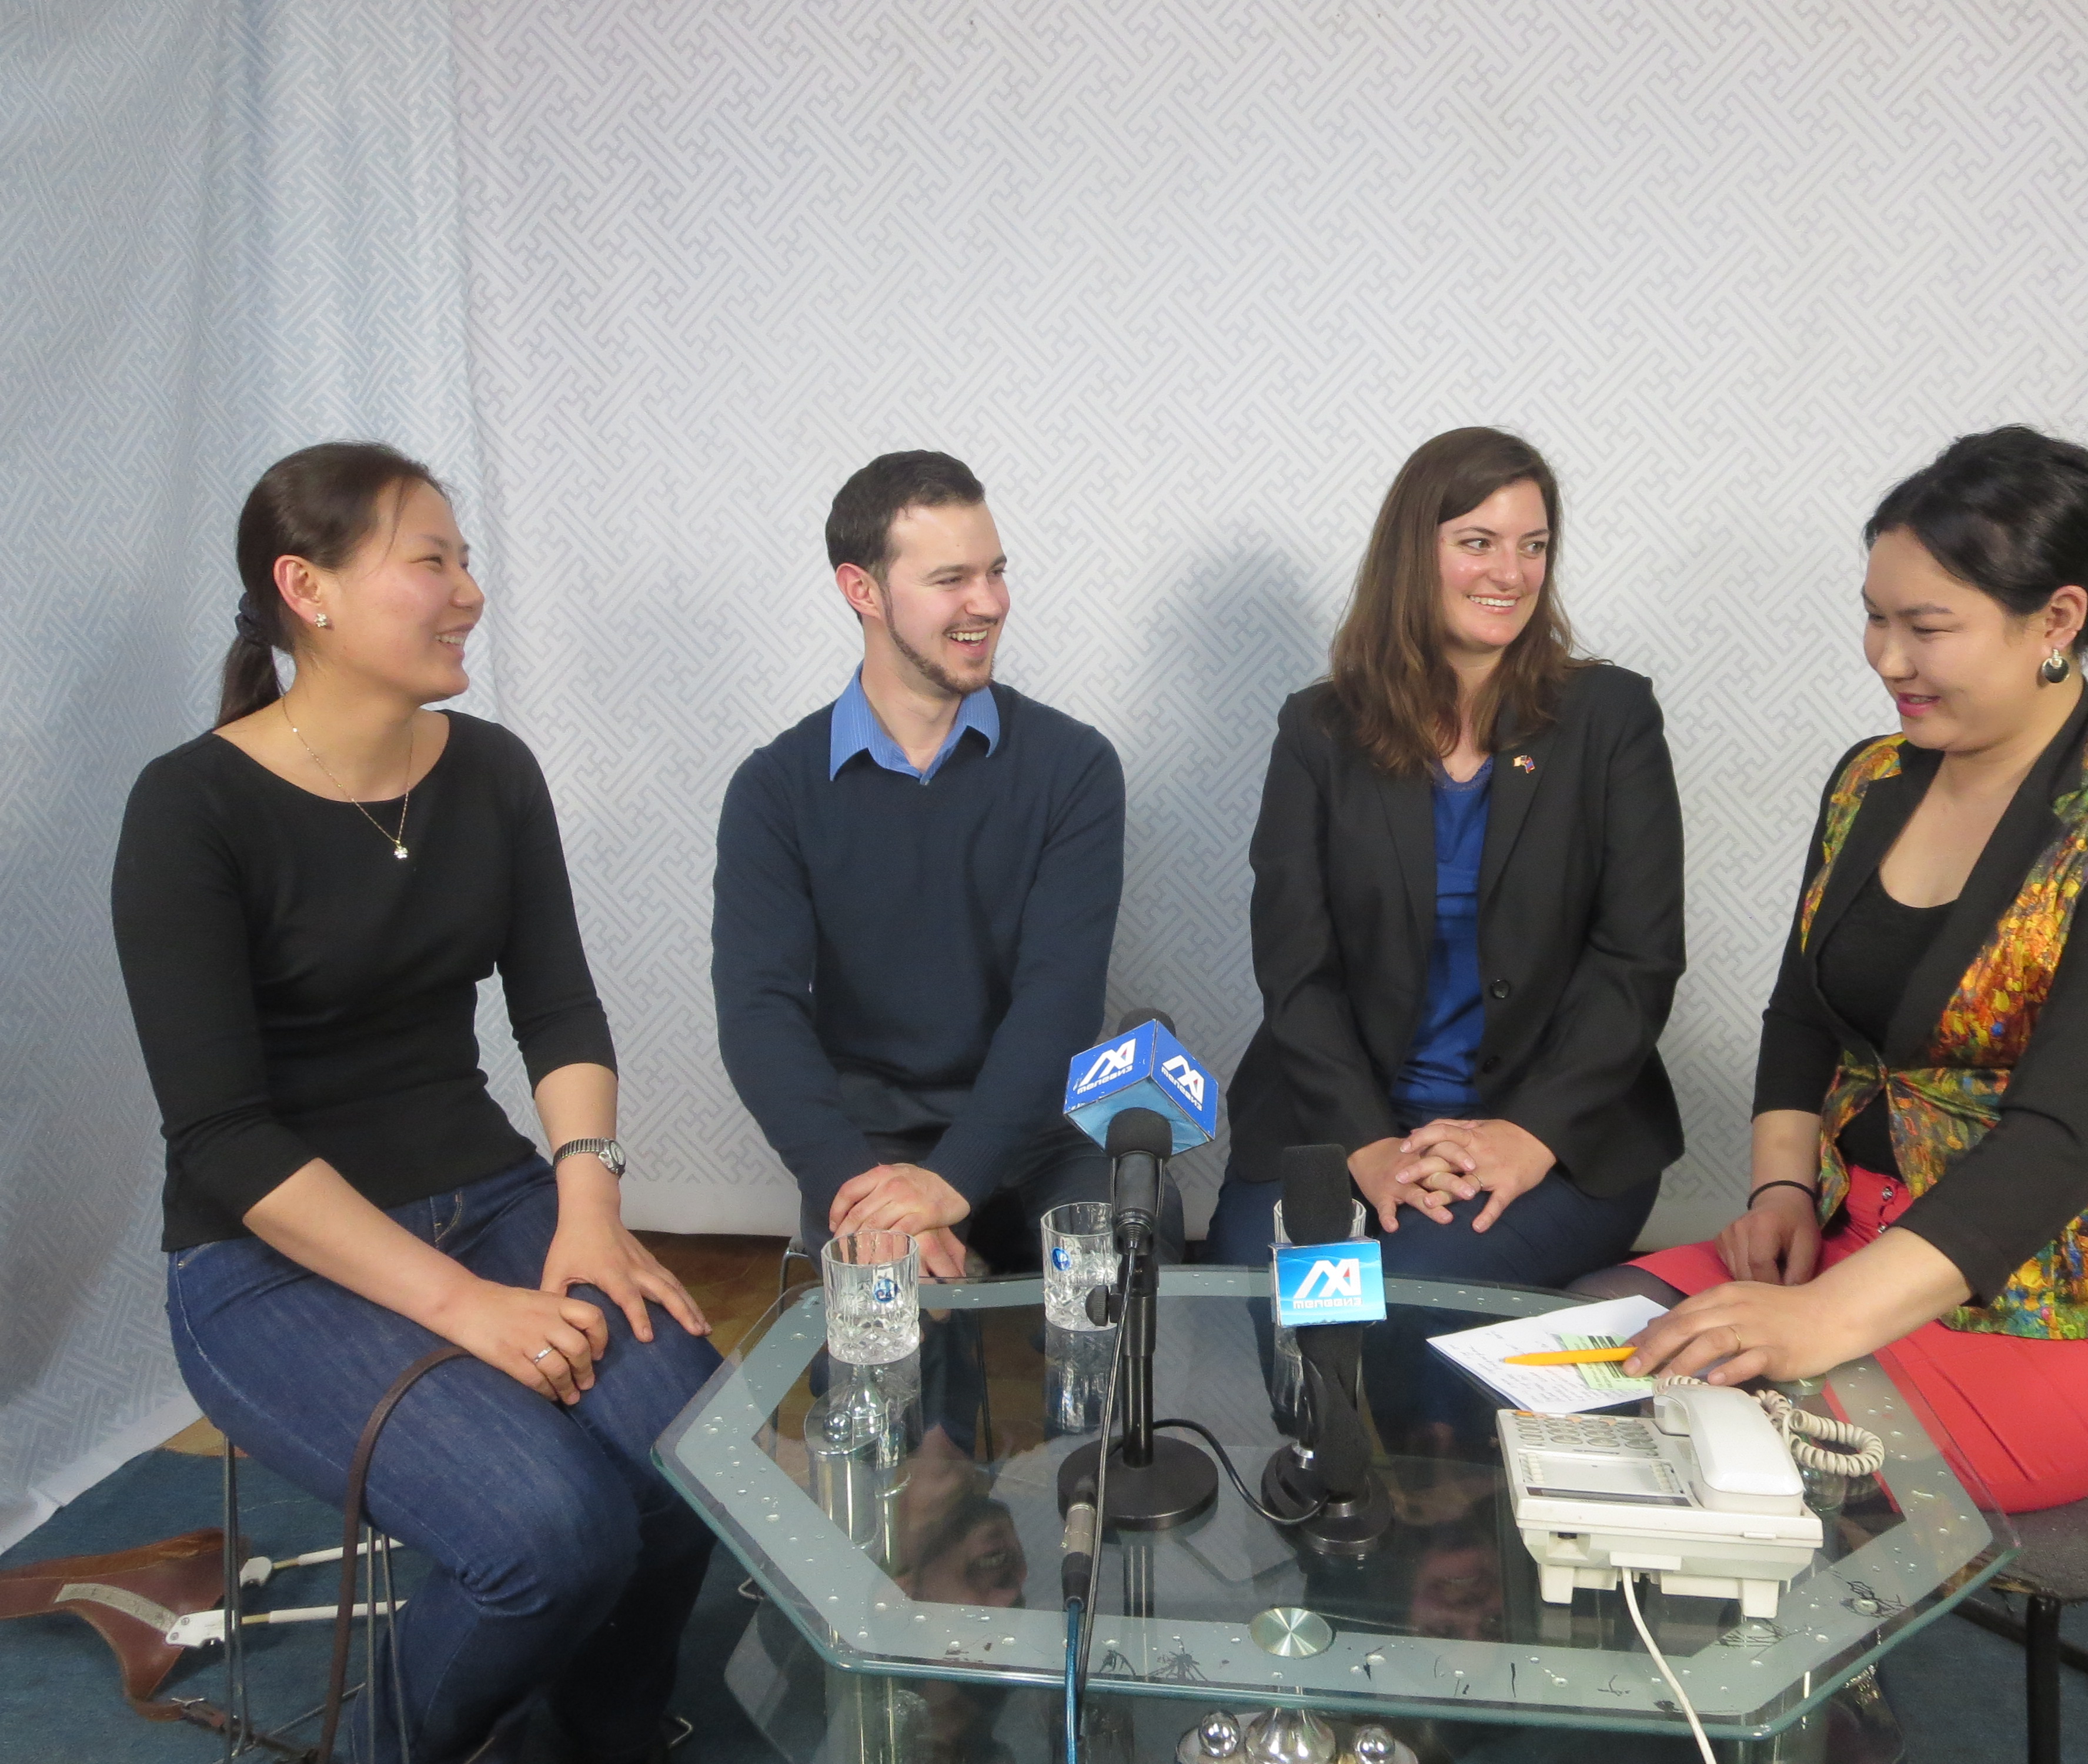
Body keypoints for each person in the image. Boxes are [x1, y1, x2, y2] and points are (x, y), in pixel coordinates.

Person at [112, 443, 718, 1763]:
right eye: (431, 562)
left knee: (693, 1459)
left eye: (466, 561)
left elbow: (559, 1010)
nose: (469, 594)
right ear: (308, 590)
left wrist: (589, 1212)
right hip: (264, 1263)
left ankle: (603, 1736)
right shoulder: (190, 807)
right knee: (549, 1535)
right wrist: (465, 1308)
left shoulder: (490, 770)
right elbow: (221, 1138)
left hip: (490, 1196)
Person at [1606, 426, 2088, 1516]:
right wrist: (1780, 1190)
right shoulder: (1872, 779)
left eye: (1927, 628)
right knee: (1575, 1353)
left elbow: (2065, 1138)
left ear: (2058, 621)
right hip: (1852, 1236)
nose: (1887, 660)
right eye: (1876, 617)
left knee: (1695, 1458)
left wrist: (1824, 1320)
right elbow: (1804, 1009)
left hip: (2065, 1308)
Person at [1204, 427, 1685, 1284]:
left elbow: (1637, 960)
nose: (1511, 574)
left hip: (1549, 1130)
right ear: (1412, 554)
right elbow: (1295, 969)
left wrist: (1529, 1135)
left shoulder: (1611, 717)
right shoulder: (1319, 731)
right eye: (1478, 543)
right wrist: (1368, 1146)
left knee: (1402, 1296)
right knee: (1279, 1297)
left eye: (1533, 546)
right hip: (1338, 1120)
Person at [714, 451, 1158, 1279]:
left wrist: (951, 1181)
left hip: (1043, 1125)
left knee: (1110, 1299)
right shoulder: (775, 789)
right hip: (868, 1145)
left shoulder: (1073, 765)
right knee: (895, 1346)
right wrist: (865, 1191)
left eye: (996, 572)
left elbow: (1060, 998)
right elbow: (758, 1014)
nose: (988, 603)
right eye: (951, 579)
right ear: (863, 590)